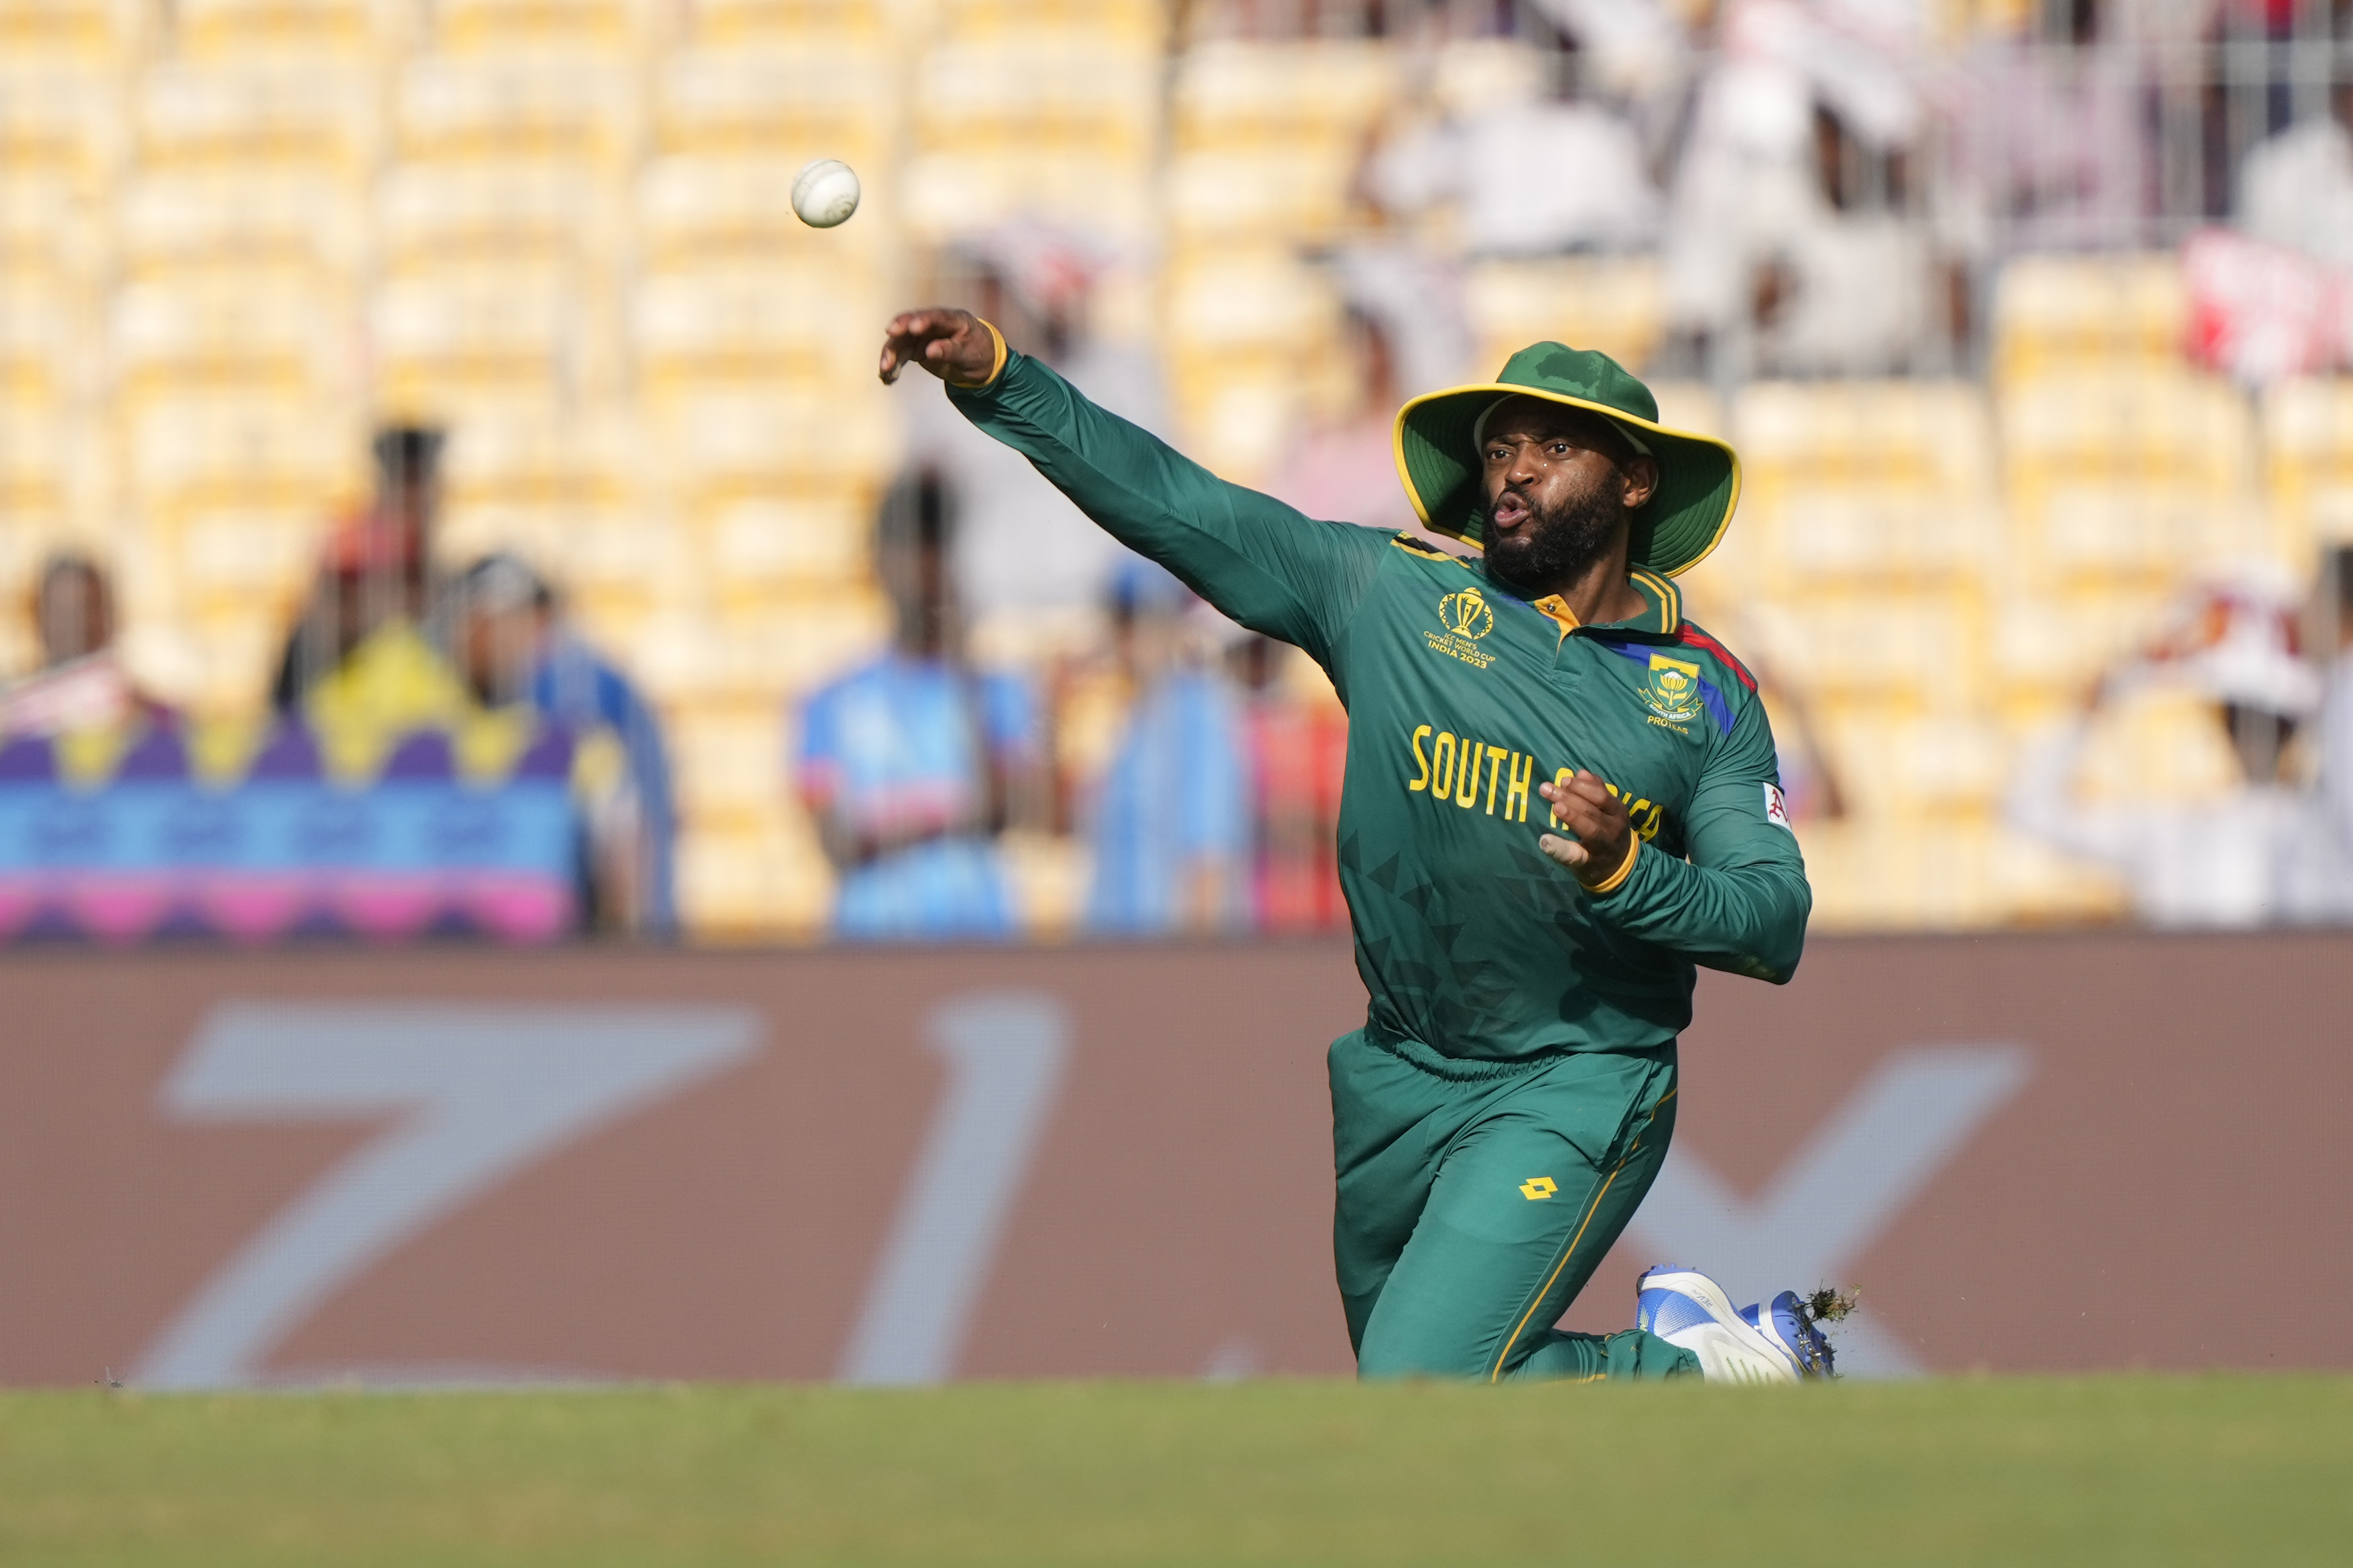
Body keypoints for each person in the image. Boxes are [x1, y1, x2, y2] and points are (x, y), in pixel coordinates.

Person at [879, 310, 1830, 1384]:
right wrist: (1004, 383)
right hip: (1399, 1073)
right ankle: (1690, 1375)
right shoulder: (1389, 595)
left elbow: (1771, 921)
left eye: (1554, 448)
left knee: (1422, 1385)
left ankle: (1704, 1374)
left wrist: (1628, 873)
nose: (1513, 474)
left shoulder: (1703, 692)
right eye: (1499, 450)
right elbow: (1183, 509)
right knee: (1425, 1417)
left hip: (1576, 1078)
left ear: (1634, 482)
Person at [796, 472, 1041, 941]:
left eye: (939, 544)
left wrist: (963, 662)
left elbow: (1004, 809)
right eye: (912, 544)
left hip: (979, 942)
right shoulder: (830, 700)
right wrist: (947, 817)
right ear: (880, 560)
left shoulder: (997, 689)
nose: (927, 566)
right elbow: (838, 842)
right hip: (870, 950)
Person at [2007, 572, 2322, 928]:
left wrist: (2101, 700)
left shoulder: (2318, 826)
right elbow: (2032, 811)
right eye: (2239, 720)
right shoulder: (2174, 830)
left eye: (2271, 723)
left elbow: (2032, 810)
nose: (2254, 737)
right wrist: (2100, 701)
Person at [449, 552, 678, 937]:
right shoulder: (558, 682)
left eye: (479, 623)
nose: (469, 639)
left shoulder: (570, 692)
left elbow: (619, 821)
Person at [1081, 563, 1251, 937]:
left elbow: (1208, 859)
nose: (1135, 637)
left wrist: (1191, 980)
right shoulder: (1130, 714)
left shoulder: (1197, 709)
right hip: (1116, 956)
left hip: (1162, 961)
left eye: (1150, 621)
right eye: (1125, 620)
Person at [3, 554, 174, 739]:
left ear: (109, 615)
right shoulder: (10, 706)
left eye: (87, 608)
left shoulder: (146, 712)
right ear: (38, 614)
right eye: (62, 610)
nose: (76, 624)